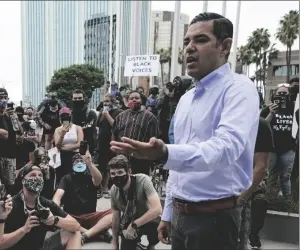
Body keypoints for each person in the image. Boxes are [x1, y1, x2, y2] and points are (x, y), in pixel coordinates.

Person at [110, 12, 260, 250]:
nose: (189, 48)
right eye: (187, 42)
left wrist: (165, 154)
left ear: (225, 46)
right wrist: (169, 213)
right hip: (180, 219)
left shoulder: (239, 89)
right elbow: (178, 168)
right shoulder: (186, 99)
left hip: (215, 220)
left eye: (200, 40)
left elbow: (226, 147)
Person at [0, 165, 81, 250]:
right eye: (33, 175)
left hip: (40, 247)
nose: (37, 178)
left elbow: (76, 225)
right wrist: (24, 229)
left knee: (74, 233)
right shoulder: (10, 205)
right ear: (23, 181)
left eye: (40, 175)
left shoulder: (45, 203)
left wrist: (55, 220)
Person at [53, 152, 113, 244]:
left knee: (114, 214)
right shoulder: (66, 178)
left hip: (91, 216)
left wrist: (89, 163)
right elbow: (58, 195)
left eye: (82, 161)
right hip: (72, 217)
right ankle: (96, 233)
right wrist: (55, 208)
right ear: (73, 164)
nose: (80, 163)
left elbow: (98, 180)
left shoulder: (91, 176)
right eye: (77, 161)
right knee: (60, 220)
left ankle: (86, 234)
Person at [108, 155, 162, 250]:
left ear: (129, 171)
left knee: (156, 226)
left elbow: (157, 209)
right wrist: (115, 244)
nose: (116, 176)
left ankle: (151, 246)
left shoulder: (143, 180)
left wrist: (134, 225)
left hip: (148, 219)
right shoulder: (113, 190)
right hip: (129, 220)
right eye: (113, 174)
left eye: (120, 172)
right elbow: (116, 218)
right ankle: (135, 243)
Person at [238, 117, 274, 250]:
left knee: (260, 200)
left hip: (254, 181)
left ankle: (253, 235)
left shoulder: (262, 127)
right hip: (233, 181)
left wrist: (255, 185)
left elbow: (263, 167)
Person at [261, 85, 295, 201]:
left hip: (289, 148)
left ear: (289, 95)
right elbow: (262, 126)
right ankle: (268, 200)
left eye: (285, 93)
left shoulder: (294, 108)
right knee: (271, 176)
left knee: (285, 176)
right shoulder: (268, 109)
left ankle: (287, 201)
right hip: (272, 148)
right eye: (279, 93)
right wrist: (271, 113)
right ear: (275, 94)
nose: (282, 96)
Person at [112, 91, 158, 175]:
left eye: (137, 98)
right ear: (128, 101)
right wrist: (116, 152)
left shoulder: (150, 117)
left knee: (139, 182)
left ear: (141, 101)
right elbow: (114, 135)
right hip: (122, 158)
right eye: (131, 98)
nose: (134, 100)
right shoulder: (120, 116)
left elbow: (153, 139)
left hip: (141, 158)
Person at [0, 88, 22, 194]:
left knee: (11, 182)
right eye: (1, 98)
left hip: (11, 152)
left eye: (5, 98)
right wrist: (3, 115)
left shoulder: (11, 114)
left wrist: (15, 118)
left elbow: (20, 131)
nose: (3, 100)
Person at [96, 93, 123, 198]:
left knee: (112, 166)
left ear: (113, 102)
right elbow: (98, 125)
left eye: (107, 101)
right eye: (104, 102)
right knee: (102, 167)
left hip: (112, 143)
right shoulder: (101, 113)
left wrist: (107, 115)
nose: (105, 103)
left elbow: (116, 126)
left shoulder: (118, 112)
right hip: (102, 143)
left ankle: (112, 189)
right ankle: (102, 188)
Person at [54, 107, 83, 183]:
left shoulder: (77, 128)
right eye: (63, 116)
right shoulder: (58, 129)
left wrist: (65, 149)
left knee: (76, 176)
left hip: (75, 155)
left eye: (67, 116)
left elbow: (80, 143)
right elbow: (58, 145)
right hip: (62, 156)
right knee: (63, 176)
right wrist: (62, 134)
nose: (65, 118)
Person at [71, 89, 98, 155]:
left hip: (88, 145)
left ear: (84, 99)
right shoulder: (69, 113)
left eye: (80, 98)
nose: (77, 100)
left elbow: (90, 126)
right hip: (72, 145)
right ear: (72, 99)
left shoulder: (90, 113)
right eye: (75, 98)